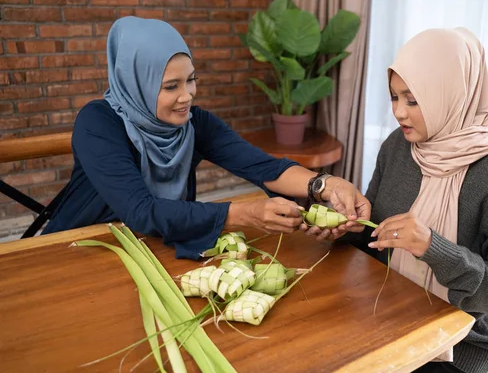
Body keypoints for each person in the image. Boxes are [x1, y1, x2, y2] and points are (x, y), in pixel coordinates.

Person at [42, 16, 370, 260]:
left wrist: (324, 185)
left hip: (157, 248)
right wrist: (245, 214)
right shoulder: (98, 122)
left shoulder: (193, 122)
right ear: (135, 82)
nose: (187, 96)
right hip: (78, 247)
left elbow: (262, 166)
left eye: (191, 80)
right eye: (171, 86)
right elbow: (141, 211)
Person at [346, 28, 488, 373]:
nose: (399, 113)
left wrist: (433, 247)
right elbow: (374, 235)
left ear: (451, 94)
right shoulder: (398, 145)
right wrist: (346, 226)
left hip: (461, 338)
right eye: (394, 97)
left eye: (413, 99)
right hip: (384, 306)